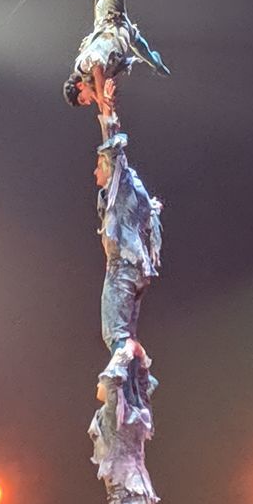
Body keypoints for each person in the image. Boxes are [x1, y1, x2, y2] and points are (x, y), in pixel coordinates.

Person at [63, 0, 170, 129]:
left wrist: (101, 98)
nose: (89, 101)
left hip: (109, 18)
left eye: (84, 99)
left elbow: (97, 68)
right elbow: (105, 83)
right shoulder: (99, 80)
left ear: (79, 86)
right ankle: (156, 63)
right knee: (144, 52)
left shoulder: (84, 66)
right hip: (124, 33)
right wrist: (107, 104)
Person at [95, 133, 162, 353]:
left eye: (99, 167)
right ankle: (136, 377)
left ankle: (114, 384)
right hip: (135, 267)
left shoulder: (123, 186)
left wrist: (105, 109)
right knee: (127, 335)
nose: (95, 172)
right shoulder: (129, 193)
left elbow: (115, 151)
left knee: (115, 335)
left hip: (123, 264)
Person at [89, 338, 158, 504]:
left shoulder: (114, 414)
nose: (98, 383)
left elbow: (112, 379)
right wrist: (142, 358)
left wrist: (127, 351)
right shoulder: (138, 411)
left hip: (125, 498)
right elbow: (144, 388)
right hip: (143, 499)